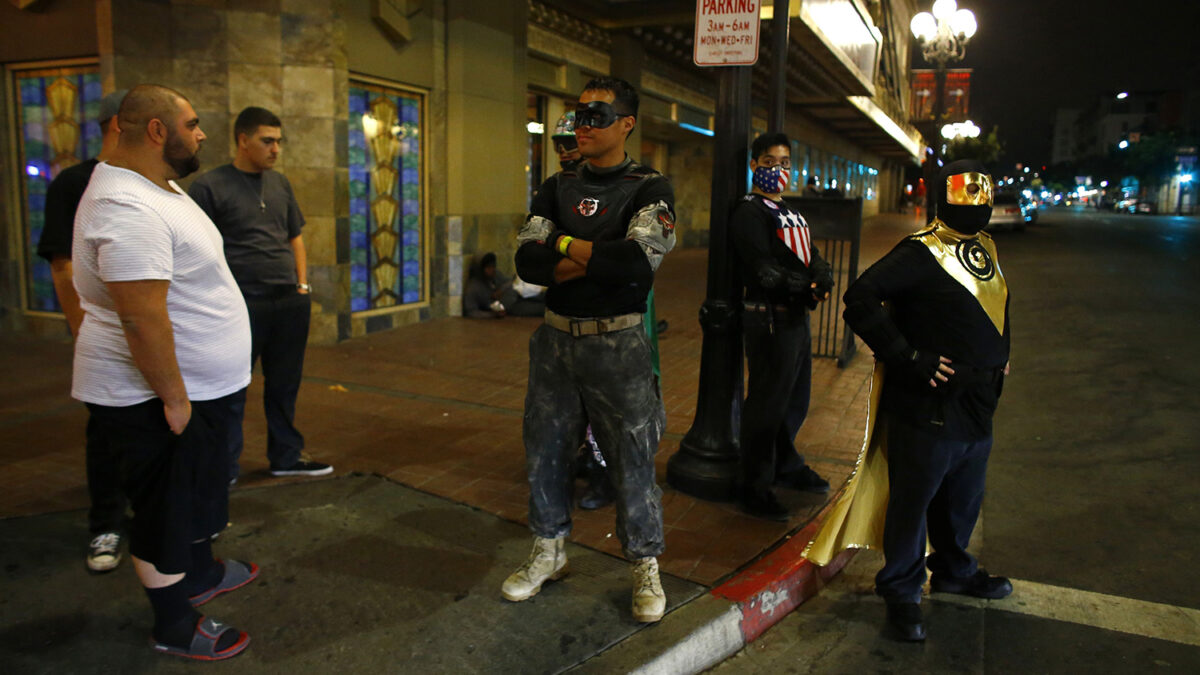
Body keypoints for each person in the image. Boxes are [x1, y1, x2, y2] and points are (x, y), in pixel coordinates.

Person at [73, 84, 257, 660]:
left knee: (196, 494)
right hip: (149, 395)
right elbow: (140, 317)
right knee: (163, 512)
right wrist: (174, 399)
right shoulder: (124, 206)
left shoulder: (159, 188)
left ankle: (199, 573)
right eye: (194, 122)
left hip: (197, 388)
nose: (202, 133)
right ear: (157, 130)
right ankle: (174, 623)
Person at [804, 159, 1013, 642]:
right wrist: (907, 356)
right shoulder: (922, 252)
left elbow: (998, 298)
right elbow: (860, 297)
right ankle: (901, 590)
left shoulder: (984, 245)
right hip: (929, 402)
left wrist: (1004, 352)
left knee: (963, 499)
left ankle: (956, 572)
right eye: (967, 198)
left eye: (982, 197)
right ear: (944, 199)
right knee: (913, 501)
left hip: (978, 401)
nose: (977, 208)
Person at [506, 76, 675, 623]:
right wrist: (589, 253)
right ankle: (549, 550)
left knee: (631, 457)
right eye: (579, 114)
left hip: (618, 341)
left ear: (626, 123)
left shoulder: (650, 188)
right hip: (556, 339)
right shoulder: (556, 185)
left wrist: (564, 248)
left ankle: (645, 564)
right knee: (546, 450)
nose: (584, 125)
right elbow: (527, 263)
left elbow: (634, 266)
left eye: (597, 116)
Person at [189, 107, 331, 481]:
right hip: (240, 304)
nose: (275, 149)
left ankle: (285, 456)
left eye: (279, 142)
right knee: (231, 388)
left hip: (288, 301)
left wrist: (302, 286)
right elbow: (199, 249)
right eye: (267, 141)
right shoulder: (209, 186)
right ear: (243, 140)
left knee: (285, 385)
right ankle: (225, 466)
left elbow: (294, 237)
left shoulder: (280, 183)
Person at [36, 88, 129, 573]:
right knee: (108, 432)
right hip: (106, 336)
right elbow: (63, 264)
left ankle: (157, 516)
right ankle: (105, 524)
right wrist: (83, 332)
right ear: (122, 125)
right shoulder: (75, 183)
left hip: (156, 333)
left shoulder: (158, 185)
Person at [731, 132, 833, 521]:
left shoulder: (788, 210)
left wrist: (821, 277)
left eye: (786, 162)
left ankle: (786, 465)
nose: (779, 169)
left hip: (794, 318)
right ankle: (753, 486)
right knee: (767, 404)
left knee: (793, 400)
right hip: (768, 317)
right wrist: (804, 285)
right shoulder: (749, 212)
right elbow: (761, 267)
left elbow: (812, 253)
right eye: (771, 162)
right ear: (755, 165)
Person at [463, 252, 545, 318]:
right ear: (480, 269)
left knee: (539, 295)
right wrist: (492, 314)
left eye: (493, 266)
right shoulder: (474, 287)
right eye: (488, 267)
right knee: (540, 309)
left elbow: (510, 281)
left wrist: (501, 290)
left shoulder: (495, 275)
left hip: (514, 296)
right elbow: (471, 312)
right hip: (508, 307)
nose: (492, 269)